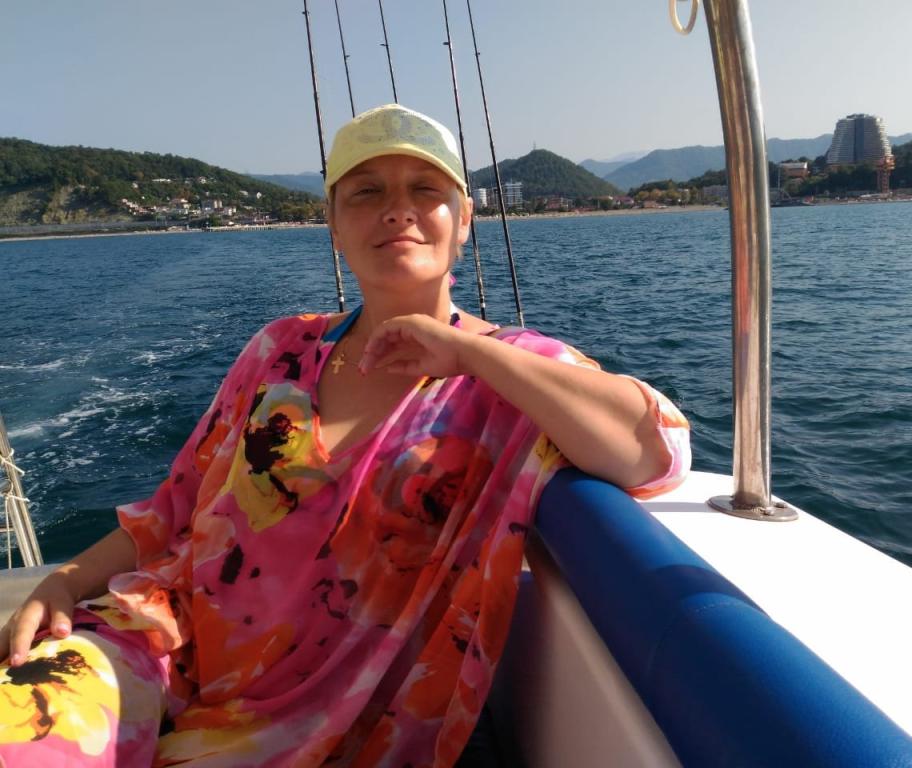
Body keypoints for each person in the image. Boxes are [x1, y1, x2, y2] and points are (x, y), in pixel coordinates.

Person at [0, 104, 691, 767]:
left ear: (464, 221)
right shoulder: (278, 349)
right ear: (333, 224)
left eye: (426, 189)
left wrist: (470, 354)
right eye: (366, 192)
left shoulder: (506, 374)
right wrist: (66, 580)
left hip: (315, 726)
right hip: (152, 635)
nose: (397, 209)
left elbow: (657, 450)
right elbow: (173, 507)